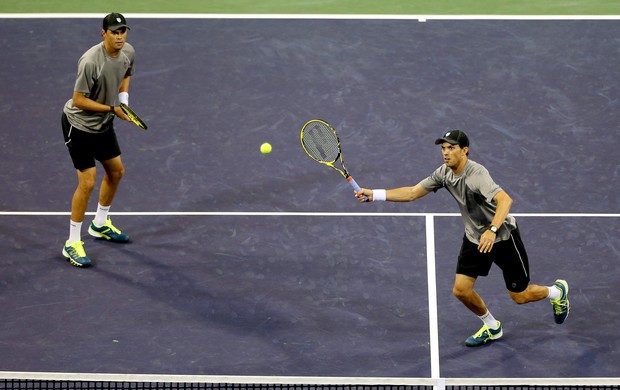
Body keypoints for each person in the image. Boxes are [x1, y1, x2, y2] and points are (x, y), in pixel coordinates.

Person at [354, 130, 570, 347]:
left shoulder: (478, 174)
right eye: (443, 148)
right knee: (461, 290)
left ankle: (556, 292)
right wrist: (374, 194)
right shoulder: (443, 173)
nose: (445, 153)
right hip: (475, 238)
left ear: (464, 150)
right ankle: (492, 326)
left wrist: (492, 230)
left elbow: (505, 200)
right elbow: (412, 192)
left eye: (451, 148)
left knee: (520, 296)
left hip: (503, 237)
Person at [61, 13, 136, 267]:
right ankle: (72, 243)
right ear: (103, 33)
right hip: (79, 125)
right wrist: (112, 109)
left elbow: (126, 73)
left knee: (116, 172)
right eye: (114, 32)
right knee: (87, 182)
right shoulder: (91, 61)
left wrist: (123, 102)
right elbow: (79, 100)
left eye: (122, 31)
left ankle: (100, 223)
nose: (119, 36)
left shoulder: (128, 52)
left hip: (103, 124)